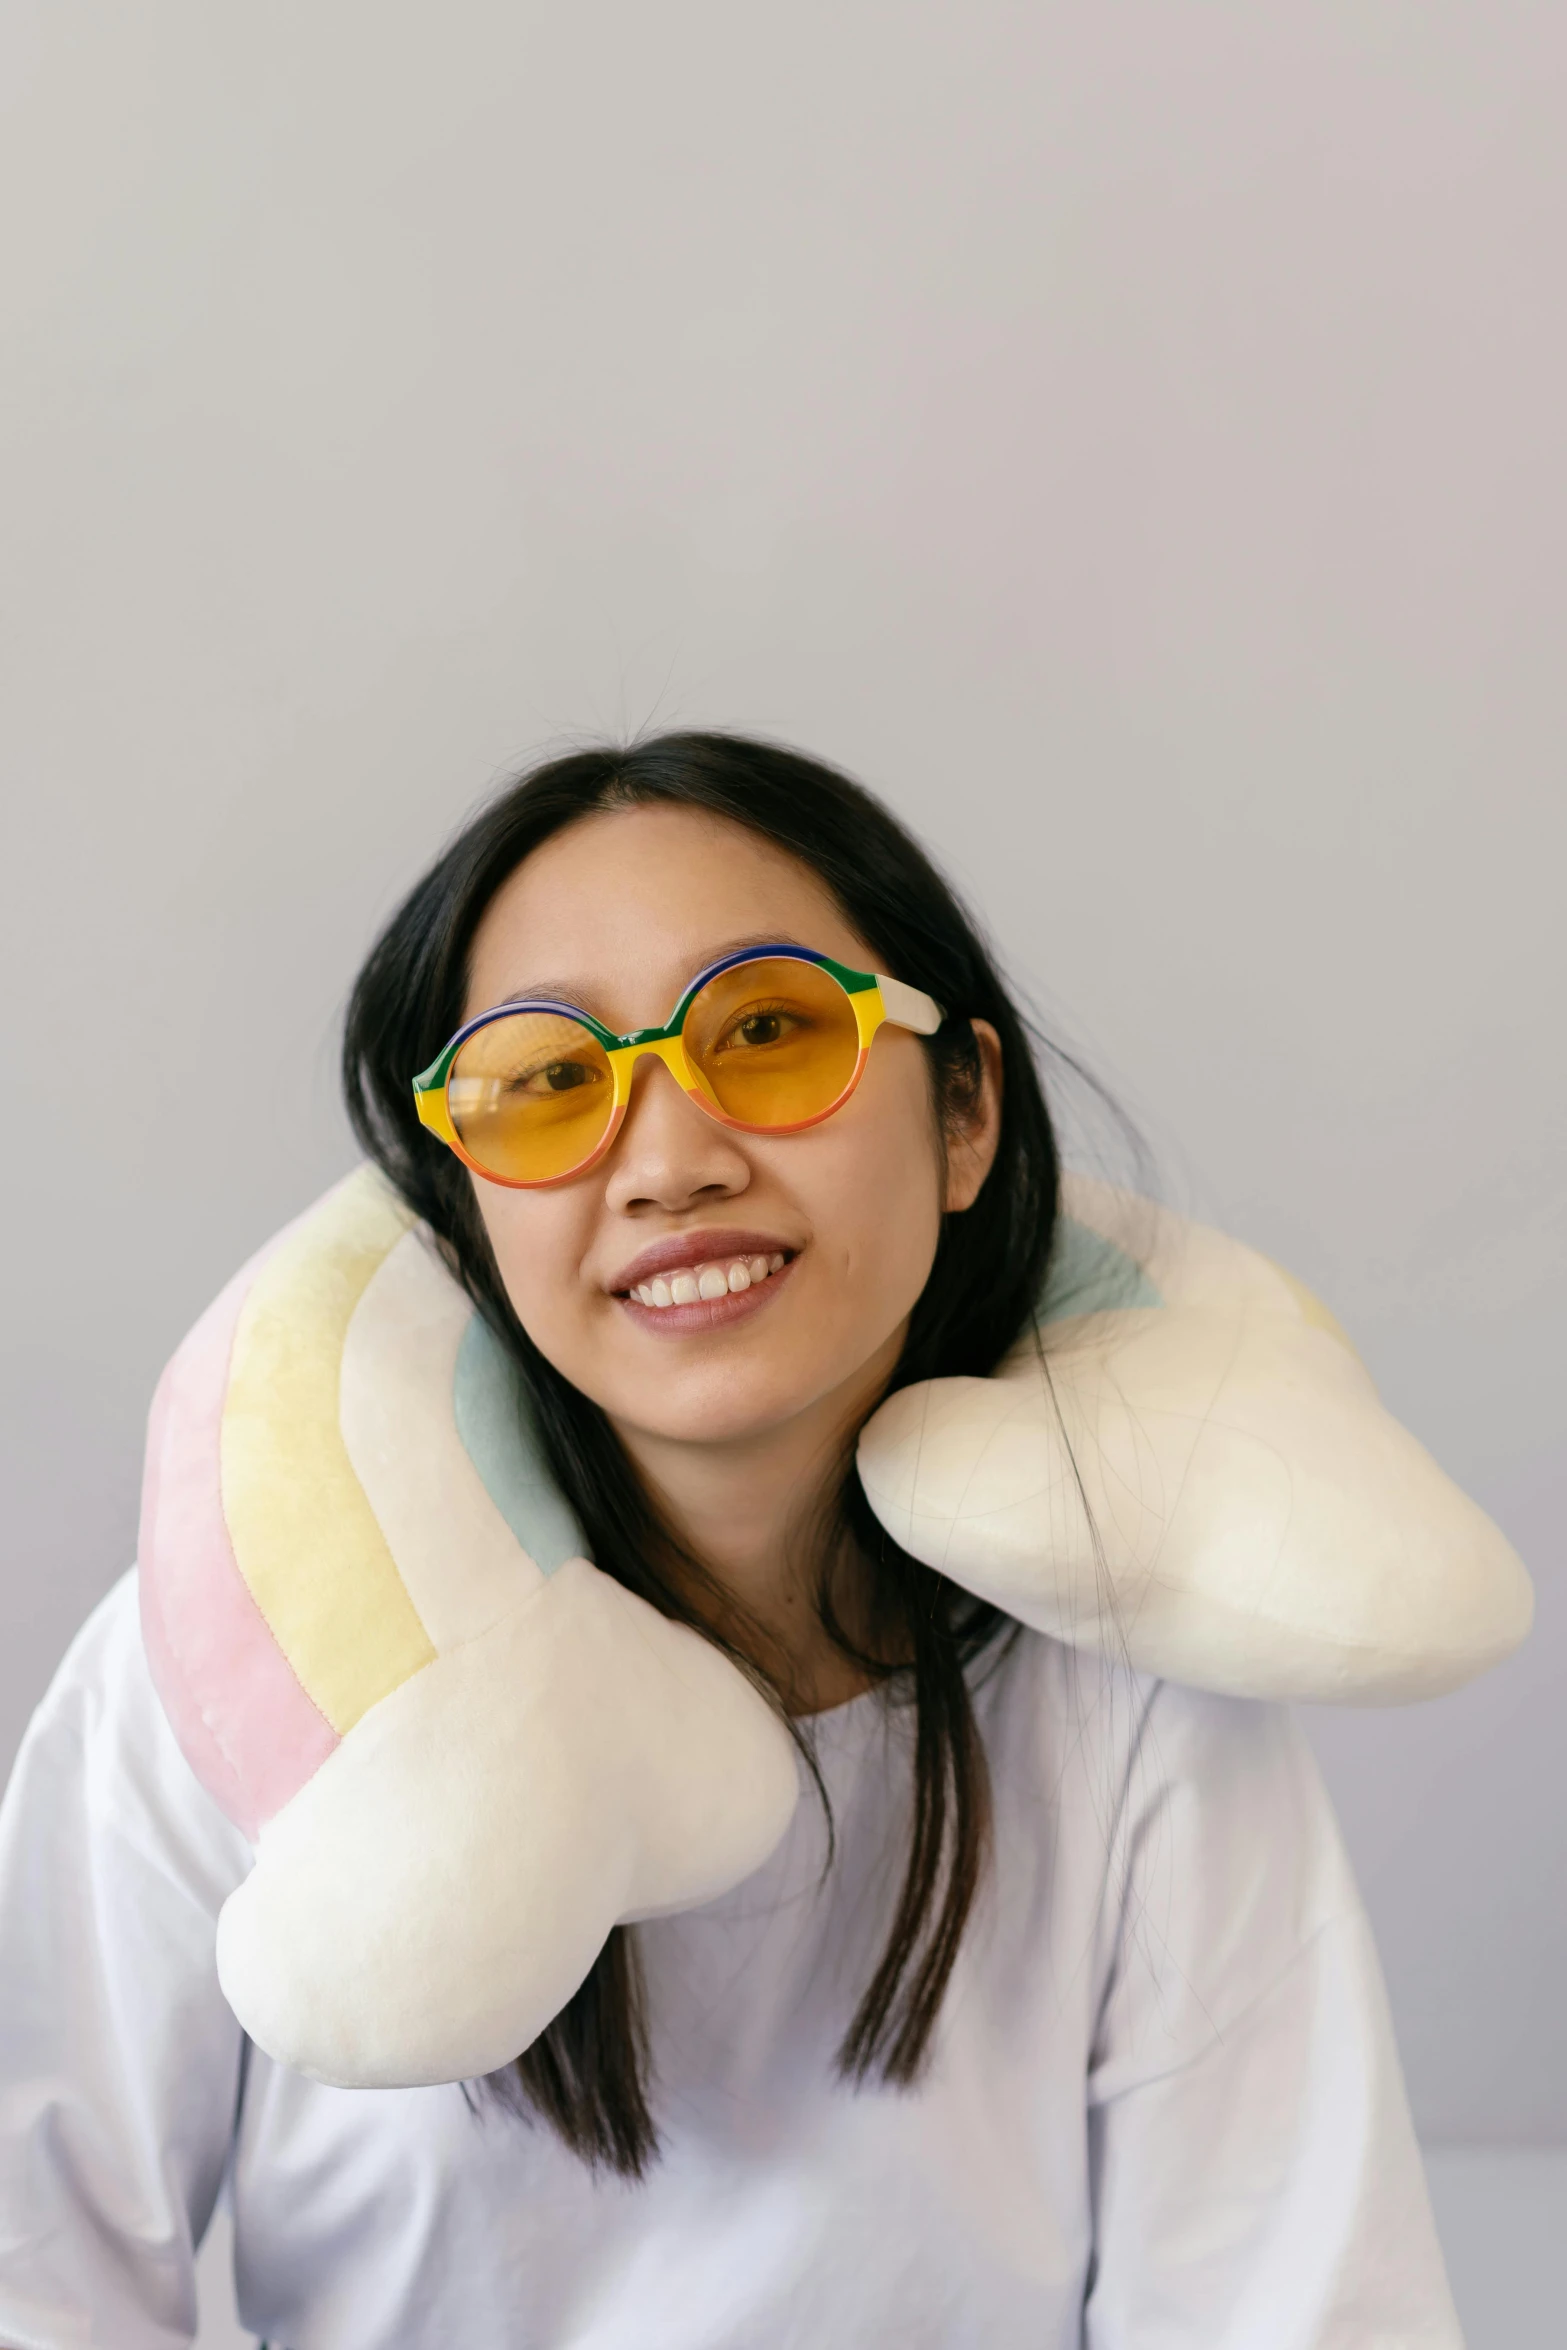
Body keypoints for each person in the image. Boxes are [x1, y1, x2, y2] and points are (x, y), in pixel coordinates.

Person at [0, 733, 1460, 2345]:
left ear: (964, 1108)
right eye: (547, 1082)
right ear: (462, 1203)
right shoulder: (237, 1675)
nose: (671, 1160)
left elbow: (1295, 2309)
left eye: (767, 1032)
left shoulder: (1134, 1695)